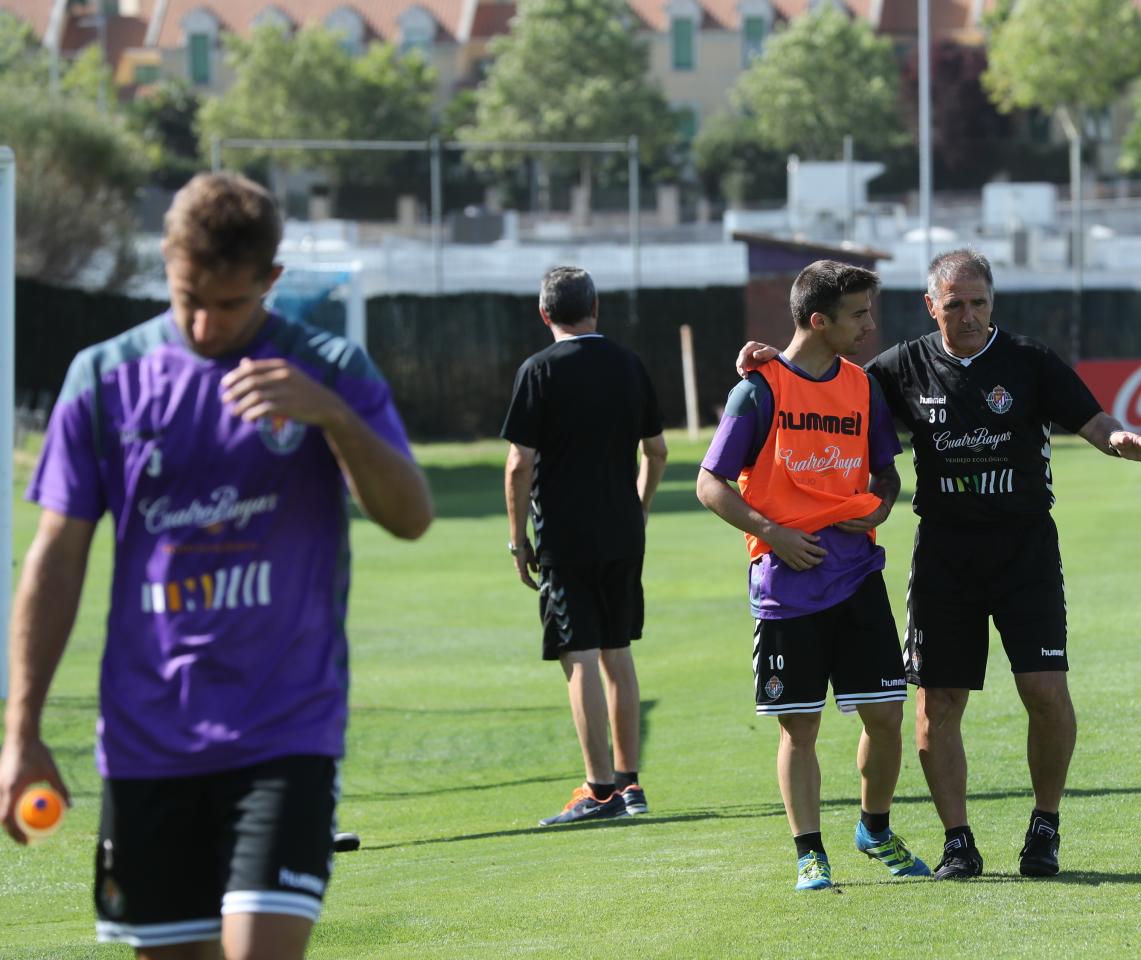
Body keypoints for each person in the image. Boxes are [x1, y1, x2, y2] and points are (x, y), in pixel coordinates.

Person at [0, 172, 433, 958]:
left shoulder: (326, 368)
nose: (203, 324)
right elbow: (56, 558)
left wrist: (332, 417)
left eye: (228, 304)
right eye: (185, 296)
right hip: (145, 743)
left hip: (284, 733)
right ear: (166, 265)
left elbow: (410, 517)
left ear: (271, 280)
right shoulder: (104, 380)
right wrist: (20, 729)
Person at [739, 249, 1141, 880]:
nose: (969, 316)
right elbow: (822, 373)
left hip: (1024, 549)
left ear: (993, 302)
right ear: (931, 305)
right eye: (956, 304)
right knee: (938, 699)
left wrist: (1117, 439)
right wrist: (766, 361)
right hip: (944, 553)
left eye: (980, 303)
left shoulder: (1029, 360)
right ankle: (958, 842)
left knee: (1044, 691)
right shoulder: (896, 369)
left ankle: (1044, 826)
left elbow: (1094, 420)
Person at [697, 260, 932, 891]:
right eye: (858, 314)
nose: (869, 325)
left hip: (858, 576)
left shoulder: (862, 387)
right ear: (819, 320)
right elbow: (709, 484)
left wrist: (881, 505)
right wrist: (774, 534)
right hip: (786, 583)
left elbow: (886, 473)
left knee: (885, 717)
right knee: (800, 726)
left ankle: (874, 829)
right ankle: (809, 853)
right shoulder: (758, 389)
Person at [501, 266, 668, 824]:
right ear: (596, 306)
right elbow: (658, 450)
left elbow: (519, 463)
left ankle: (598, 791)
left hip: (565, 538)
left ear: (545, 313)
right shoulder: (628, 364)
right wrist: (638, 510)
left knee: (579, 658)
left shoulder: (538, 371)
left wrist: (516, 538)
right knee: (617, 653)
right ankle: (630, 785)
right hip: (622, 531)